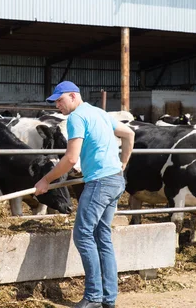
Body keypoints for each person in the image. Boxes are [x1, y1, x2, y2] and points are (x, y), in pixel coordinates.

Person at [34, 81, 134, 308]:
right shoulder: (99, 113)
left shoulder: (77, 118)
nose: (57, 105)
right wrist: (122, 164)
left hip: (99, 183)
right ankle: (109, 298)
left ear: (72, 96)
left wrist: (45, 179)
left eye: (60, 100)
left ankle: (93, 297)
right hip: (115, 181)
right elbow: (128, 134)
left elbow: (70, 158)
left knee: (82, 235)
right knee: (102, 237)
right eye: (55, 102)